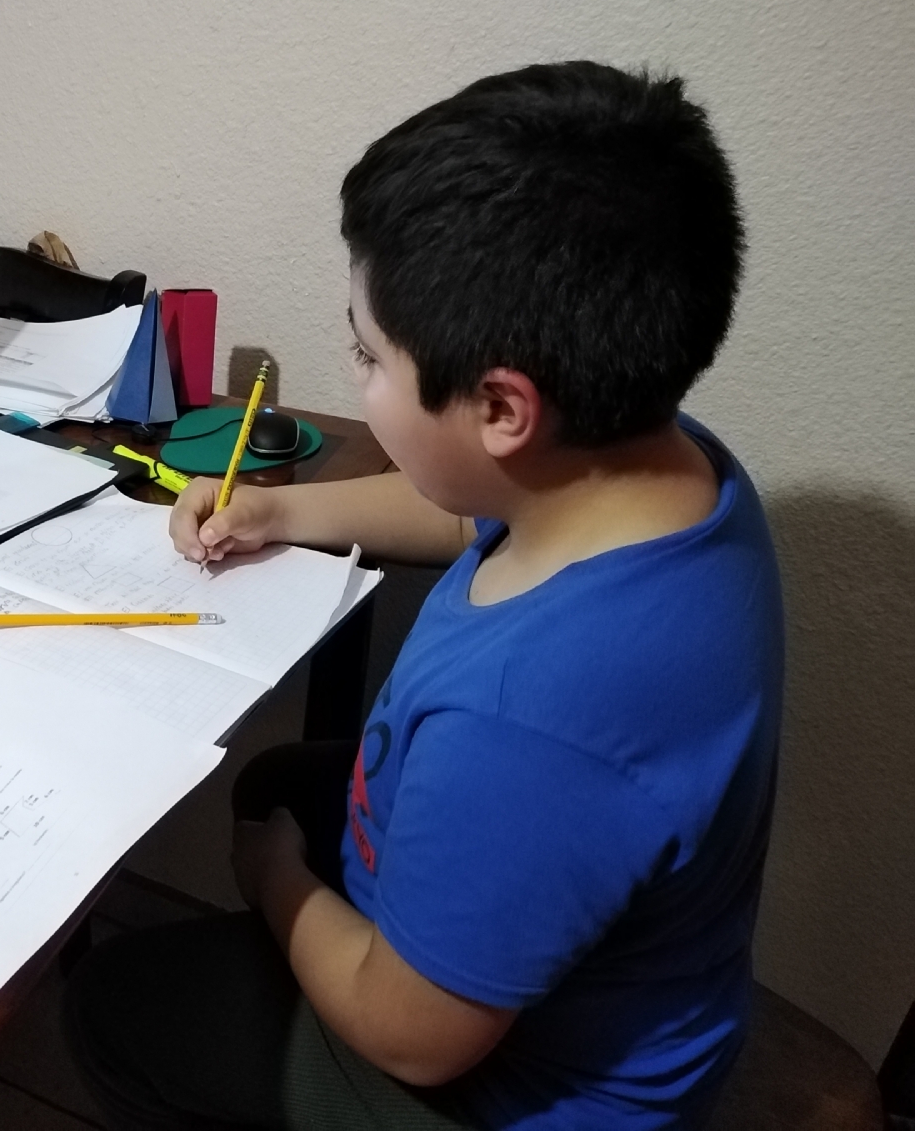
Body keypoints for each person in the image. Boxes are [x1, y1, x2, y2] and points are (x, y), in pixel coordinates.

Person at [62, 60, 784, 1130]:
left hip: (506, 1095)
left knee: (112, 1002)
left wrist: (275, 881)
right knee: (275, 779)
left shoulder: (533, 721)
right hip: (599, 970)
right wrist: (278, 511)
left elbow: (414, 1036)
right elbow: (466, 512)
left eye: (367, 356)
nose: (354, 376)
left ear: (501, 409)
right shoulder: (658, 470)